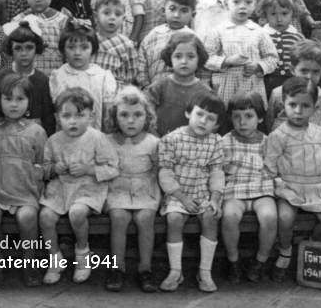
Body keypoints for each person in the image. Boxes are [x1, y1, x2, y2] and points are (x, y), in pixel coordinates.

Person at [265, 77, 321, 282]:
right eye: (292, 105)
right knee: (285, 218)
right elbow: (270, 165)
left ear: (314, 107)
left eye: (305, 106)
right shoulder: (278, 135)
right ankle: (285, 250)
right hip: (288, 186)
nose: (298, 111)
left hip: (315, 185)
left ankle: (308, 245)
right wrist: (281, 183)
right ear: (284, 104)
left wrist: (315, 177)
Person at [39, 88, 119, 285]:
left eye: (80, 115)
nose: (73, 121)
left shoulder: (97, 138)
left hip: (88, 188)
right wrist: (54, 168)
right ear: (58, 117)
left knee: (77, 213)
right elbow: (44, 168)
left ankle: (83, 254)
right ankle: (55, 258)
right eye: (67, 116)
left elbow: (112, 168)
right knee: (46, 216)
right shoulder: (53, 140)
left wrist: (89, 169)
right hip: (61, 188)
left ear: (91, 116)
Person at [0, 74, 48, 288]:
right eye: (8, 99)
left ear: (29, 102)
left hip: (25, 192)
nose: (14, 104)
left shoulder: (37, 131)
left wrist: (40, 175)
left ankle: (29, 263)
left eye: (20, 99)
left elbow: (44, 164)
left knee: (27, 218)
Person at [158, 92, 226, 293]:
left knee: (210, 217)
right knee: (174, 218)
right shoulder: (171, 139)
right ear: (189, 113)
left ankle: (205, 271)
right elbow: (165, 173)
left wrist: (215, 199)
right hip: (178, 195)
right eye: (200, 114)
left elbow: (216, 172)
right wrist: (182, 198)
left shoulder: (215, 142)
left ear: (216, 125)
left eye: (211, 118)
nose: (204, 121)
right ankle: (175, 271)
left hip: (203, 194)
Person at [103, 86, 160, 293]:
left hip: (145, 188)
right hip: (118, 188)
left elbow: (158, 170)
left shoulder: (153, 142)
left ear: (147, 117)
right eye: (124, 115)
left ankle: (145, 269)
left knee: (145, 218)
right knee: (119, 217)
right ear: (115, 117)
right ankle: (117, 268)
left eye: (137, 115)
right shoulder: (107, 141)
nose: (130, 120)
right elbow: (104, 167)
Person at [221, 92, 277, 284]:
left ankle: (260, 261)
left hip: (261, 188)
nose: (242, 122)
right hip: (235, 188)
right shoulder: (226, 141)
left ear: (260, 118)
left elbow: (273, 168)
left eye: (249, 116)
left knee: (269, 217)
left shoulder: (267, 141)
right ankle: (233, 261)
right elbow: (219, 170)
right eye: (237, 117)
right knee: (229, 216)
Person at [204, 0, 279, 106]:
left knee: (250, 116)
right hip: (225, 88)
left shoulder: (259, 32)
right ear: (227, 4)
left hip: (251, 86)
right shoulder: (218, 31)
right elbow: (206, 58)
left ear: (255, 5)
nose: (242, 6)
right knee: (225, 118)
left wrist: (258, 66)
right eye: (236, 2)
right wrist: (226, 61)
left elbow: (272, 58)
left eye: (248, 2)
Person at [0, 19, 56, 136]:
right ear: (10, 49)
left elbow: (48, 119)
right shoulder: (0, 77)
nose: (23, 53)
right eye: (18, 48)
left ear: (37, 48)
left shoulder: (42, 80)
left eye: (29, 48)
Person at [49, 21, 117, 131]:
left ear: (93, 50)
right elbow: (56, 111)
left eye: (84, 47)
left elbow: (107, 115)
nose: (77, 52)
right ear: (63, 50)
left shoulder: (102, 76)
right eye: (71, 47)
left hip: (94, 137)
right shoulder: (58, 76)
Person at [146, 31, 212, 136]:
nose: (184, 61)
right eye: (178, 56)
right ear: (170, 58)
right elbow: (146, 114)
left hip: (189, 145)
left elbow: (209, 122)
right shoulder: (159, 86)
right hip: (158, 141)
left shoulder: (205, 92)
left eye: (190, 56)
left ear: (199, 58)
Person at [266, 39, 321, 137]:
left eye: (316, 71)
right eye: (304, 70)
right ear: (292, 69)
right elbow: (269, 123)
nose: (309, 76)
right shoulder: (278, 94)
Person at [11, 0, 69, 76]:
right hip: (25, 81)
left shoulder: (62, 21)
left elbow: (67, 54)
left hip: (54, 80)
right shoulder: (17, 21)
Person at [138, 0, 197, 87]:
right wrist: (145, 85)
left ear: (193, 15)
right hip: (152, 89)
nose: (176, 15)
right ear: (163, 11)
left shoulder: (192, 38)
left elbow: (198, 67)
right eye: (172, 9)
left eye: (184, 10)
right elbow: (141, 62)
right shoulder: (154, 34)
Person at [258, 0, 305, 97]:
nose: (279, 19)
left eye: (284, 13)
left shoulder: (297, 36)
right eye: (273, 14)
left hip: (291, 81)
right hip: (266, 81)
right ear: (265, 14)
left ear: (292, 13)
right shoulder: (261, 35)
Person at [92, 0, 140, 87]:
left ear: (123, 18)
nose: (112, 17)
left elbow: (132, 72)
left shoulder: (127, 44)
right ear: (96, 16)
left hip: (115, 91)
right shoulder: (91, 40)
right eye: (106, 13)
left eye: (117, 14)